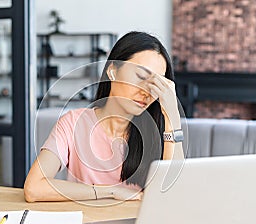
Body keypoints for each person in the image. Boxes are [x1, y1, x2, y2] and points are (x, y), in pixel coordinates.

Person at [24, 31, 184, 202]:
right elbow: (34, 188)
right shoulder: (73, 123)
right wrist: (111, 191)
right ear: (113, 71)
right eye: (141, 76)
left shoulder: (161, 132)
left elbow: (173, 196)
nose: (146, 91)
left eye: (156, 84)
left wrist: (172, 115)